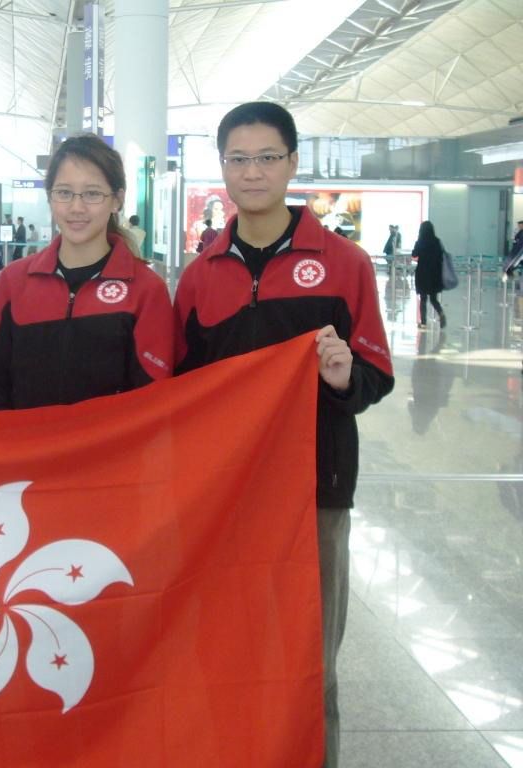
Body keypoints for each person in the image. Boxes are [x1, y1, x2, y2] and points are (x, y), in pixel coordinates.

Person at [172, 102, 394, 768]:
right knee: (223, 653)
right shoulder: (200, 276)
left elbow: (376, 373)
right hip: (224, 501)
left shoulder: (343, 263)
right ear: (222, 170)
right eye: (238, 159)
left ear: (293, 163)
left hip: (315, 494)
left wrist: (341, 375)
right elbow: (179, 396)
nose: (253, 171)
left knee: (309, 661)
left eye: (268, 157)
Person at [0, 133, 173, 409]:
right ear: (50, 198)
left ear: (117, 200)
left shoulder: (145, 289)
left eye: (92, 193)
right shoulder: (13, 282)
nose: (76, 208)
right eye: (64, 193)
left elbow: (152, 393)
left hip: (110, 451)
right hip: (25, 448)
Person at [411, 220, 447, 329]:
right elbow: (441, 256)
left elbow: (414, 254)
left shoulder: (420, 242)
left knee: (423, 298)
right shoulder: (437, 241)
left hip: (422, 273)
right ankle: (441, 313)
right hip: (435, 274)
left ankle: (423, 323)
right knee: (433, 298)